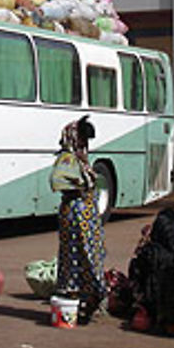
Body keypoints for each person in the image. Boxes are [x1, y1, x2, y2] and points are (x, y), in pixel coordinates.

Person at [54, 115, 106, 325]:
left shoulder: (79, 158)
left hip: (86, 215)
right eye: (83, 140)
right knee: (80, 256)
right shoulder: (67, 159)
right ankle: (80, 303)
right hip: (76, 216)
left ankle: (86, 303)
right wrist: (81, 185)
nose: (85, 145)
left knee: (90, 255)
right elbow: (57, 181)